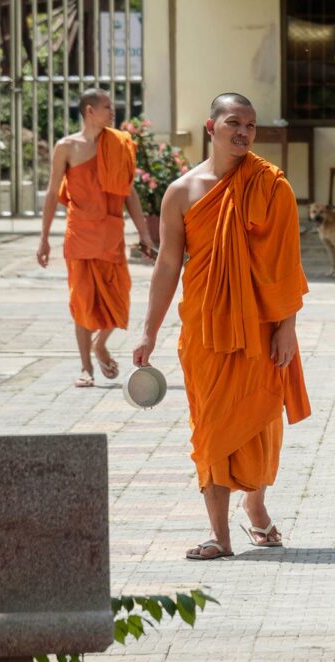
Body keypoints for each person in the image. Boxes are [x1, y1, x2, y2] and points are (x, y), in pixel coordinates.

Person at [132, 93, 311, 559]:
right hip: (206, 330)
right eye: (234, 122)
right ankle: (219, 534)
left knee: (259, 424)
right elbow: (168, 264)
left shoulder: (271, 186)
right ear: (211, 126)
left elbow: (286, 264)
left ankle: (255, 509)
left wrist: (287, 326)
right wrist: (149, 330)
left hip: (261, 327)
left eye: (251, 126)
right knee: (210, 426)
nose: (244, 133)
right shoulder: (183, 192)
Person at [37, 88, 155, 388]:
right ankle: (86, 368)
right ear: (89, 111)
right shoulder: (66, 147)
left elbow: (129, 193)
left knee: (120, 299)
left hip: (111, 234)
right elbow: (53, 193)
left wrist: (143, 233)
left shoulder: (117, 144)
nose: (112, 112)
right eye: (106, 107)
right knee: (82, 301)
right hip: (80, 234)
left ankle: (100, 344)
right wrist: (44, 238)